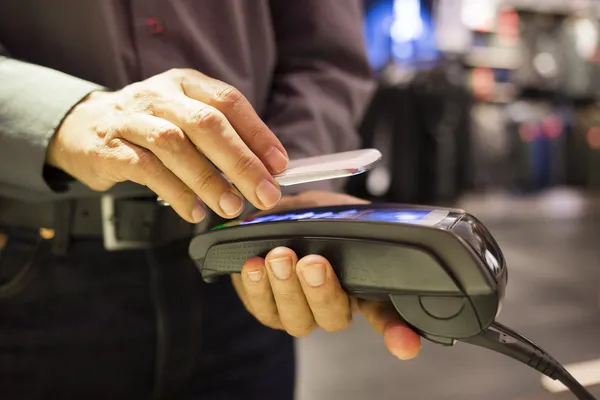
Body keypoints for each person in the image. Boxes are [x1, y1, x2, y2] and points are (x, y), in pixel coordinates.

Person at [0, 1, 421, 399]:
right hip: (27, 271)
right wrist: (69, 117)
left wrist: (277, 197)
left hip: (238, 266)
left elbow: (325, 56)